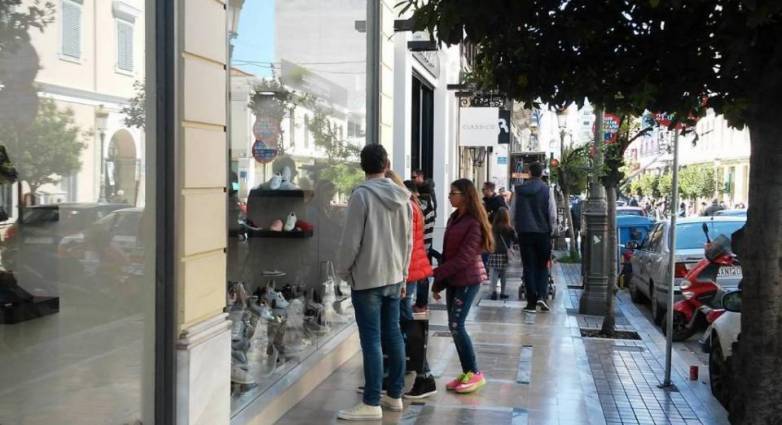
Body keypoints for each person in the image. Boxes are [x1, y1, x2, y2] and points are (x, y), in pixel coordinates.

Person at [335, 145, 412, 421]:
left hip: (368, 277)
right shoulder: (403, 197)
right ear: (387, 164)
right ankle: (395, 395)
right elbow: (408, 241)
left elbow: (350, 241)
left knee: (371, 340)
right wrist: (403, 274)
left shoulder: (362, 195)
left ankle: (371, 401)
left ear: (362, 166)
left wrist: (342, 272)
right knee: (392, 334)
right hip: (394, 276)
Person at [432, 178, 493, 394]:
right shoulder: (454, 218)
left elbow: (464, 258)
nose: (449, 196)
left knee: (457, 325)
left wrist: (435, 273)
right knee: (454, 326)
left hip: (468, 279)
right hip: (454, 279)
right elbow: (448, 255)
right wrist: (438, 283)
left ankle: (474, 373)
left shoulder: (473, 222)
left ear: (466, 196)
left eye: (453, 193)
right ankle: (467, 371)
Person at [513, 162, 557, 313]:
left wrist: (515, 230)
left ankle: (531, 302)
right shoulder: (547, 190)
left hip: (525, 233)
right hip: (543, 233)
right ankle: (542, 296)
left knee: (528, 266)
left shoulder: (518, 190)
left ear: (529, 173)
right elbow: (552, 213)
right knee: (542, 266)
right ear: (541, 173)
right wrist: (552, 230)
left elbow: (513, 213)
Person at [414, 178, 437, 313]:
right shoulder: (430, 203)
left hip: (421, 244)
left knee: (421, 275)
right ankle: (422, 303)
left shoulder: (422, 205)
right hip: (426, 243)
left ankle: (421, 303)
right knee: (423, 274)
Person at [488, 206, 518, 300]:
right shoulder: (509, 228)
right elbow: (515, 240)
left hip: (494, 252)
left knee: (494, 274)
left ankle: (493, 292)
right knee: (504, 274)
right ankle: (503, 292)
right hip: (504, 253)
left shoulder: (493, 228)